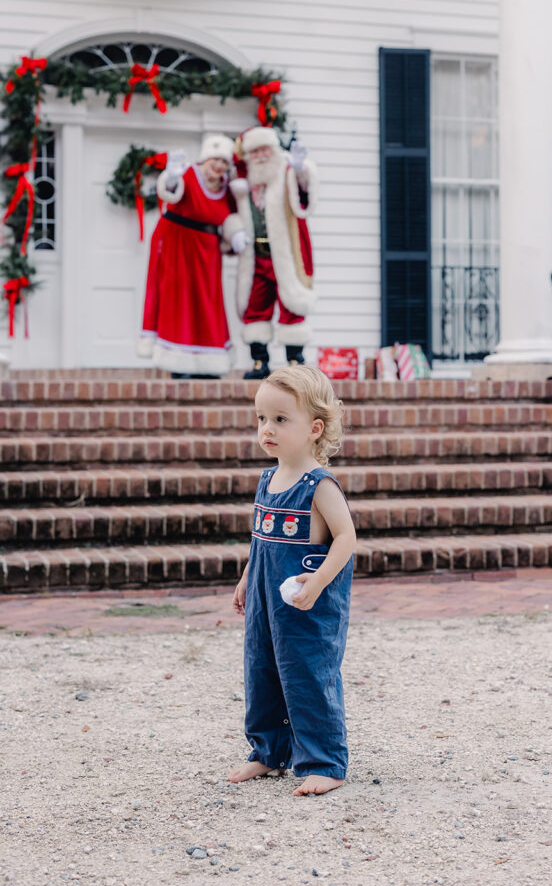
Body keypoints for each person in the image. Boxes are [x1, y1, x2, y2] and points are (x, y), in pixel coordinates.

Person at [230, 365, 356, 796]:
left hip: (305, 603)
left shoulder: (319, 486)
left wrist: (318, 582)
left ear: (314, 429)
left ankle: (325, 762)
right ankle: (269, 752)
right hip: (265, 597)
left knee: (307, 675)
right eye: (262, 418)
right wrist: (247, 577)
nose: (267, 428)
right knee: (261, 670)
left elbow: (346, 538)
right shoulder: (268, 479)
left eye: (281, 419)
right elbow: (260, 540)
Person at [137, 134, 249, 377]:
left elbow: (231, 216)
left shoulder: (226, 188)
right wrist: (171, 178)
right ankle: (179, 363)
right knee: (178, 301)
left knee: (208, 303)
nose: (218, 166)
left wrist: (236, 232)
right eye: (215, 160)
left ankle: (209, 363)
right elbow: (170, 192)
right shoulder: (187, 174)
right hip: (177, 245)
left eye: (224, 162)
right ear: (204, 159)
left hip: (207, 252)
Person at [224, 126, 318, 380]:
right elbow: (229, 213)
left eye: (265, 150)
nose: (261, 156)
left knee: (292, 303)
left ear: (274, 150)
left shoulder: (287, 171)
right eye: (255, 152)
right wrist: (234, 231)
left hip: (285, 254)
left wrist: (301, 171)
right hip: (257, 256)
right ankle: (259, 362)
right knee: (256, 307)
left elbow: (304, 196)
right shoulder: (241, 183)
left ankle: (295, 361)